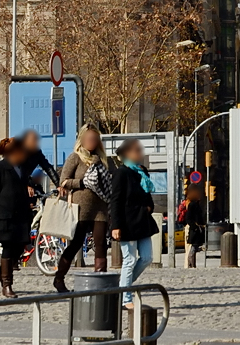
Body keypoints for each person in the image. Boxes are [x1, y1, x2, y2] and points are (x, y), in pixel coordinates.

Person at [54, 123, 112, 291]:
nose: (92, 142)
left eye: (95, 139)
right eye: (89, 139)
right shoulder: (75, 157)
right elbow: (63, 181)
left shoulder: (103, 159)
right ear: (82, 140)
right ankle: (59, 278)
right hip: (80, 210)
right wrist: (82, 182)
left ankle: (101, 283)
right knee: (76, 244)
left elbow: (113, 178)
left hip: (100, 208)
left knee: (101, 244)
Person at [110, 138, 158, 311]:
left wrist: (149, 207)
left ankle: (123, 284)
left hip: (142, 221)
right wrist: (116, 225)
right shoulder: (121, 173)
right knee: (129, 260)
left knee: (147, 258)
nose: (140, 153)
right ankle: (125, 297)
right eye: (136, 150)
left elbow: (147, 194)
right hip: (127, 222)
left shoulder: (141, 172)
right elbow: (115, 200)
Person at [0, 137, 32, 298]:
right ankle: (7, 284)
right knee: (9, 249)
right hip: (4, 218)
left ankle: (2, 273)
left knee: (19, 249)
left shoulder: (22, 169)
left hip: (21, 217)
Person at [19, 129, 59, 195]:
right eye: (32, 140)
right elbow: (17, 171)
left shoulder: (37, 152)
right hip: (14, 183)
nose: (35, 143)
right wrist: (26, 185)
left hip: (27, 182)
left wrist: (58, 184)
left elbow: (48, 167)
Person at [182, 187, 205, 268]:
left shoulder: (196, 204)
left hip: (197, 229)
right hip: (194, 229)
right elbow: (188, 218)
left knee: (194, 247)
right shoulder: (192, 204)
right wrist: (194, 226)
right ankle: (190, 264)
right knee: (193, 247)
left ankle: (191, 264)